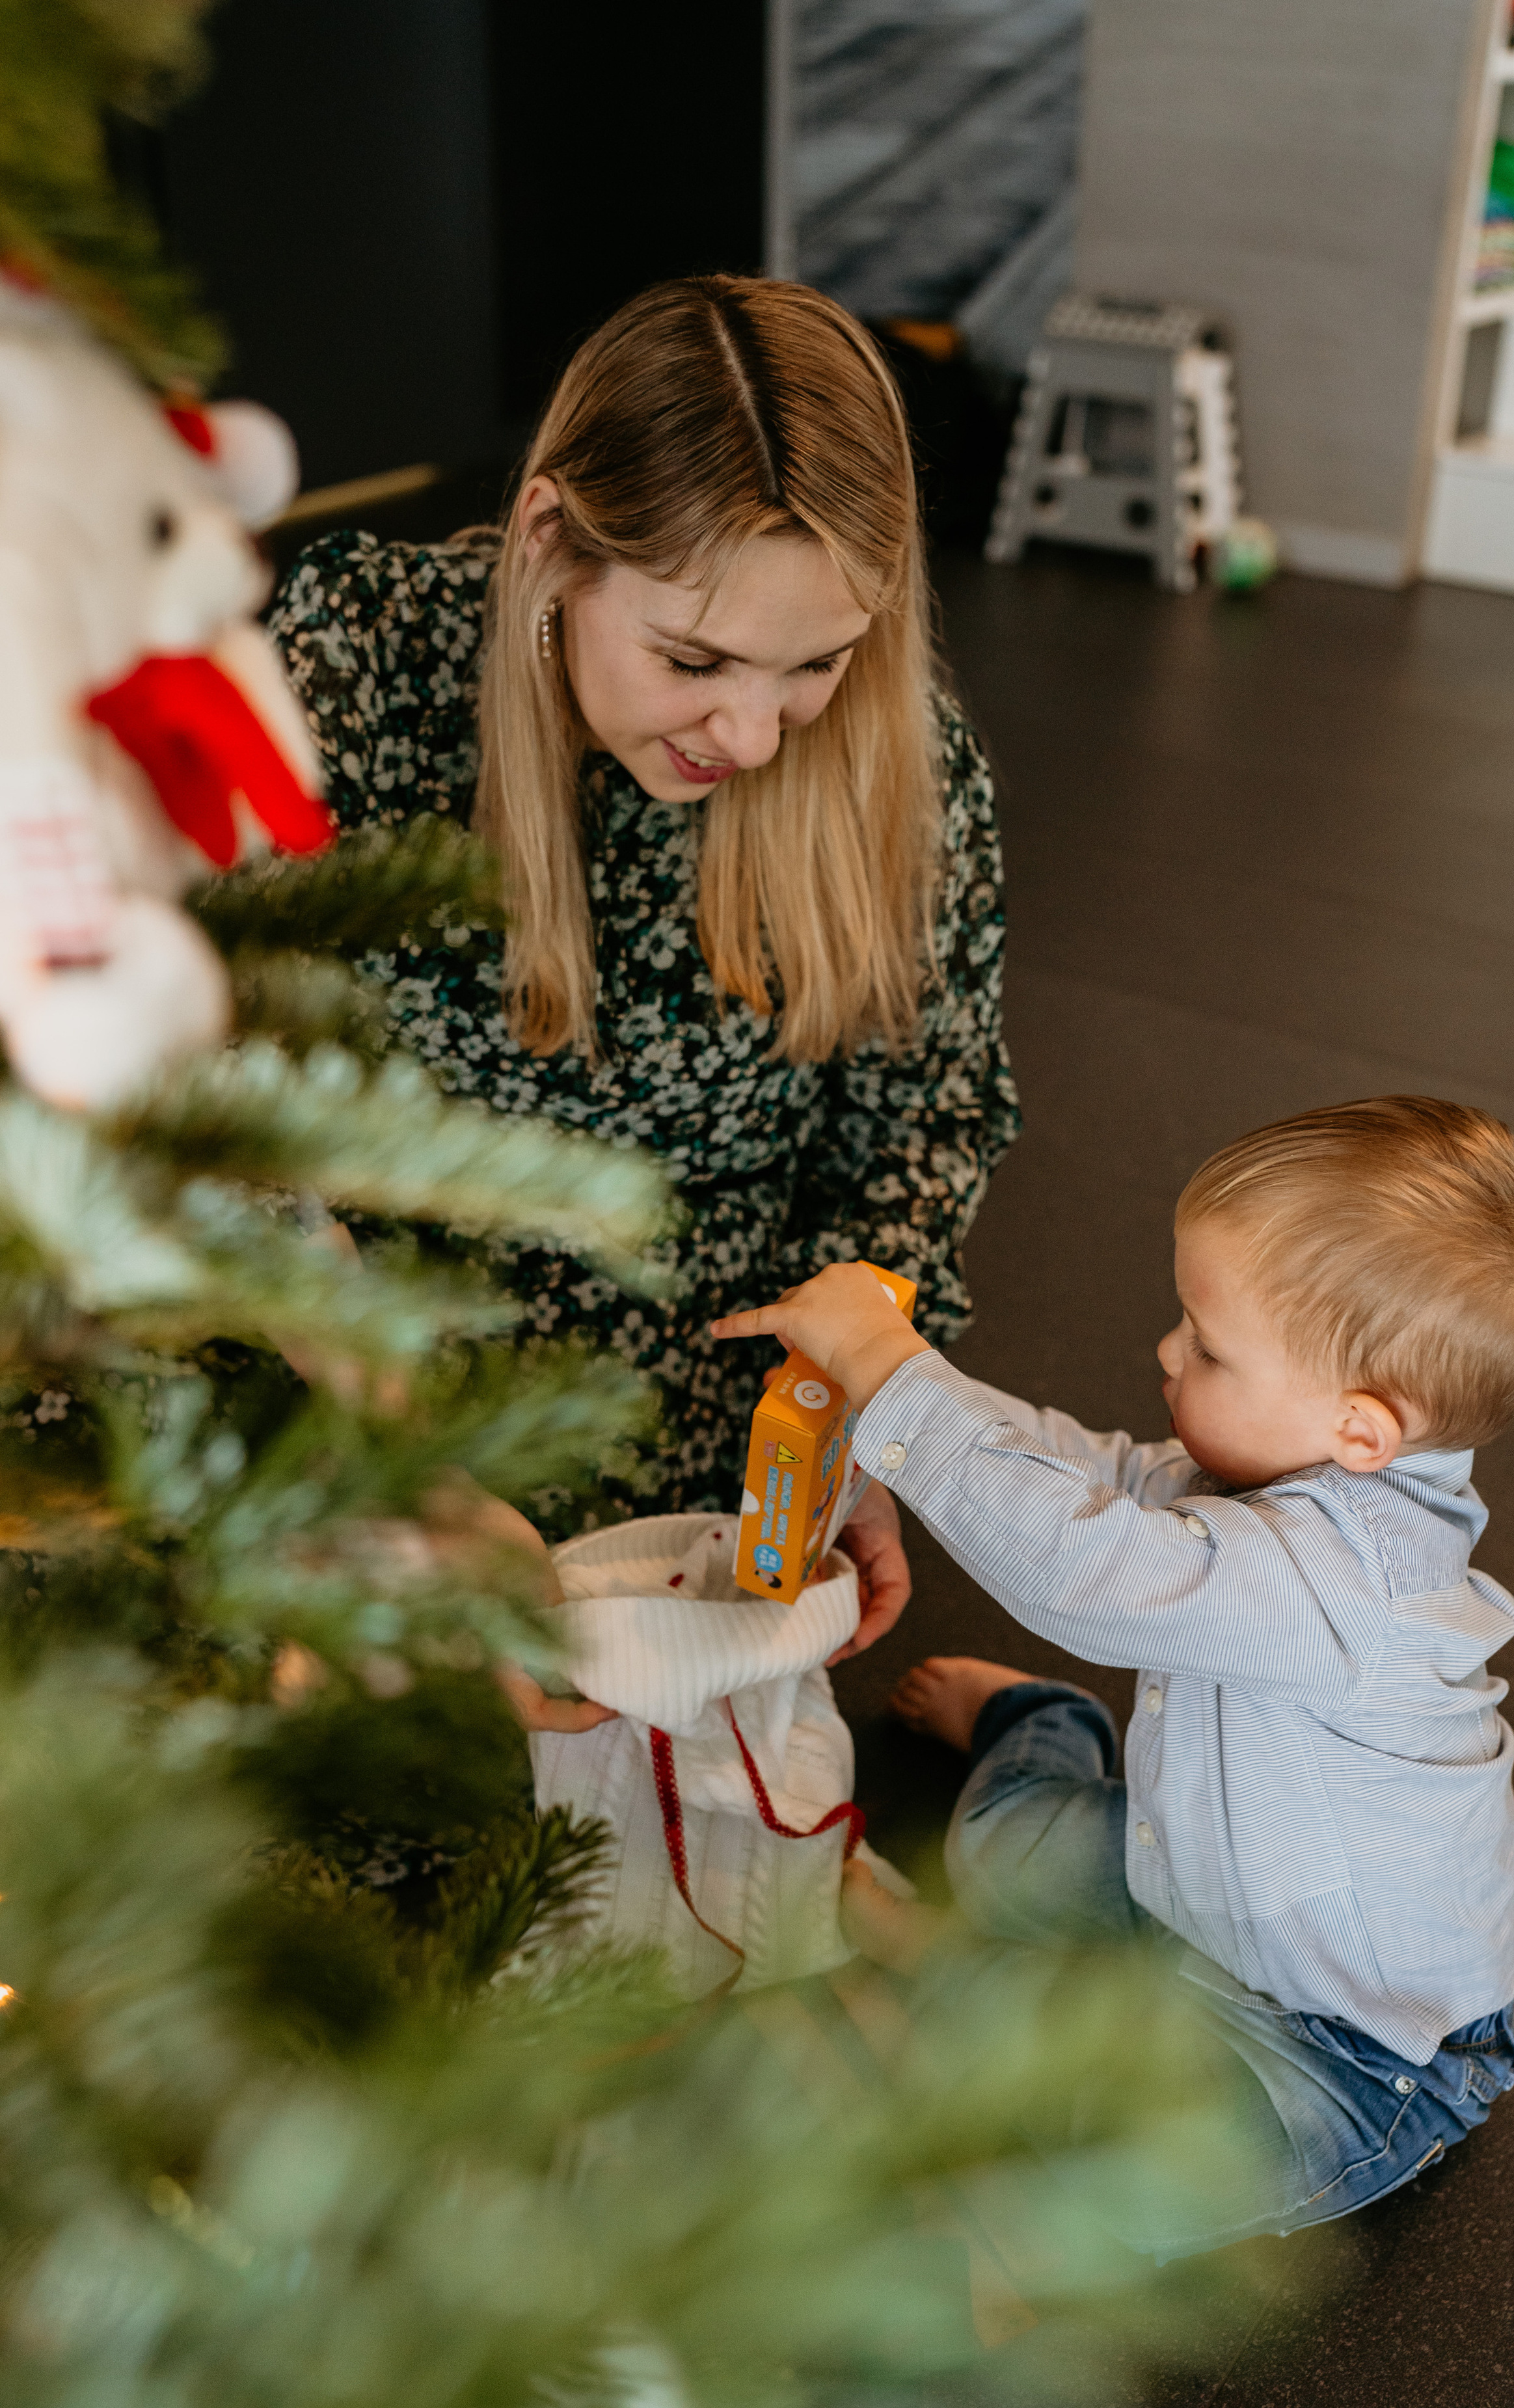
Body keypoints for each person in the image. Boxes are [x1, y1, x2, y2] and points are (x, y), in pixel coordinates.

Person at [267, 275, 1021, 1672]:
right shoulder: (364, 665)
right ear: (551, 542)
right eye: (693, 659)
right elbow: (207, 1094)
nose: (753, 734)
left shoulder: (900, 760)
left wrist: (855, 1412)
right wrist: (407, 1456)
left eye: (816, 666)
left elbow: (921, 1122)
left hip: (698, 1383)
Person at [712, 1097, 1514, 2252]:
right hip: (1201, 1886)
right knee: (1003, 1852)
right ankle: (1043, 1728)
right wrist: (892, 1410)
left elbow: (1085, 1567)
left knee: (1113, 2187)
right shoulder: (1296, 1462)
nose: (1169, 1352)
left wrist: (890, 1372)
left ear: (1363, 1429)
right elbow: (1092, 1476)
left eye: (1209, 1346)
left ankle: (984, 1992)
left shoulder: (1348, 1583)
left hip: (1356, 2047)